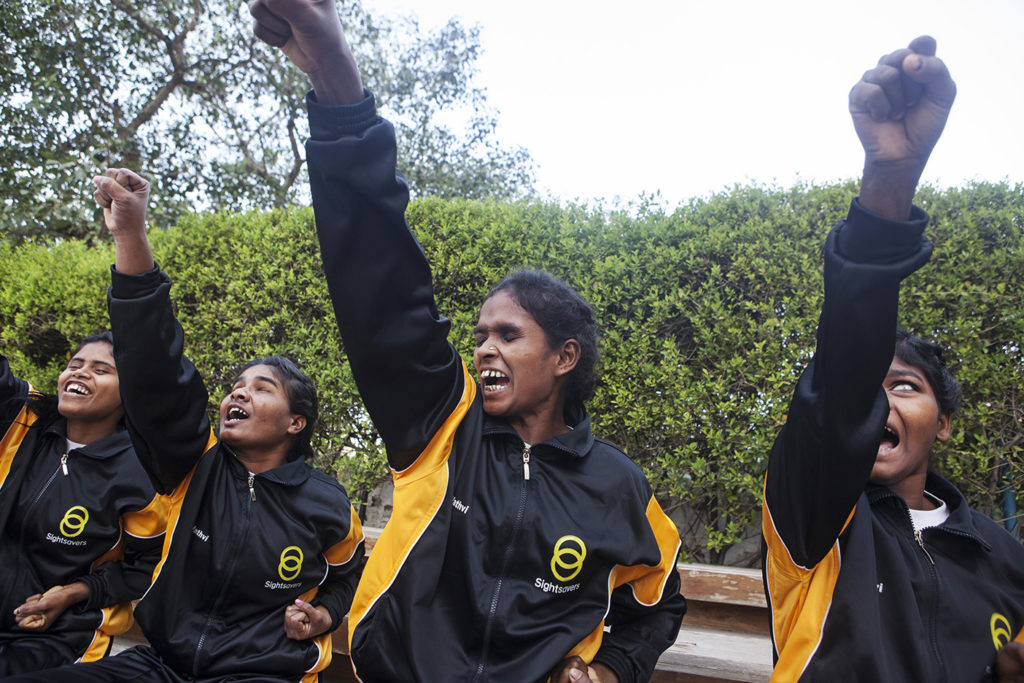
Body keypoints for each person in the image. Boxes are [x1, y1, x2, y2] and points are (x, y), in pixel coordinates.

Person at [250, 3, 686, 682]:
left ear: (564, 357)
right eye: (480, 334)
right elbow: (380, 281)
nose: (484, 349)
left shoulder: (619, 485)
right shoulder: (441, 424)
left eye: (509, 335)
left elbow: (658, 603)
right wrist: (338, 87)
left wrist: (613, 669)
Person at [4, 168, 366, 683]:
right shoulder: (190, 466)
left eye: (262, 388)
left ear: (296, 422)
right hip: (159, 665)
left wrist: (324, 615)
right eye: (237, 385)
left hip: (260, 675)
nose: (239, 391)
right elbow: (156, 371)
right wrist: (131, 236)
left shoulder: (330, 505)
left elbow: (349, 575)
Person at [761, 36, 1024, 682]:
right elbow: (843, 377)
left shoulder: (1005, 557)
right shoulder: (814, 517)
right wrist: (888, 182)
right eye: (870, 389)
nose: (879, 400)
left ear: (944, 421)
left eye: (904, 385)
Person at [0, 331, 166, 674]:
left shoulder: (142, 475)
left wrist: (73, 593)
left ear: (130, 393)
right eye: (75, 364)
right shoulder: (22, 419)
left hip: (58, 638)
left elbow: (146, 566)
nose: (79, 372)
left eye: (101, 370)